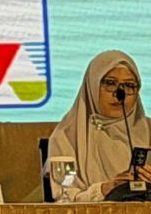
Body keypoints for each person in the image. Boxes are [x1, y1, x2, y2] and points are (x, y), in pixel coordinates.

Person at [44, 51, 151, 203]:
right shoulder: (67, 136)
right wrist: (103, 190)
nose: (119, 94)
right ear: (92, 85)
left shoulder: (149, 131)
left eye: (129, 85)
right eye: (110, 83)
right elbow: (64, 198)